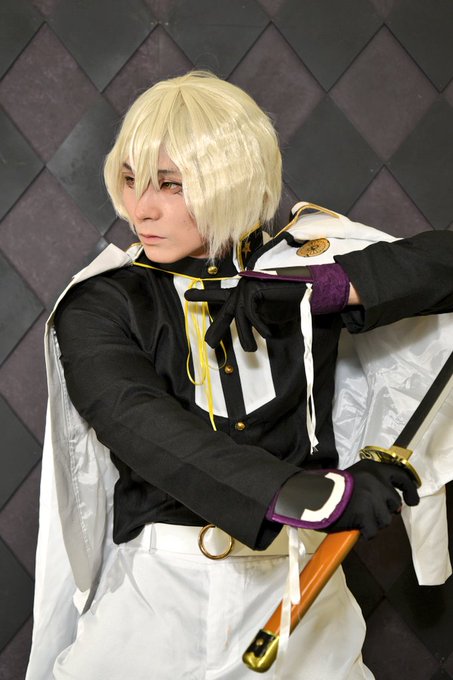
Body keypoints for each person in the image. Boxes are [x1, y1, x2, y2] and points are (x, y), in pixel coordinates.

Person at [26, 71, 453, 680]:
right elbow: (139, 425)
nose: (141, 208)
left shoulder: (301, 268)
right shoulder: (101, 303)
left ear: (233, 178)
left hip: (300, 594)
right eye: (130, 179)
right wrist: (316, 495)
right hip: (155, 602)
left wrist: (327, 288)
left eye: (171, 184)